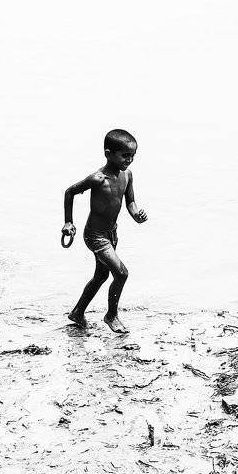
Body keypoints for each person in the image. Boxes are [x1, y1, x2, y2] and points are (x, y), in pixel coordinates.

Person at [63, 129, 147, 334]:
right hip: (95, 236)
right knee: (121, 274)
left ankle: (77, 312)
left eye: (133, 156)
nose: (129, 160)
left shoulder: (127, 175)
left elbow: (130, 201)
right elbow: (70, 192)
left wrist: (136, 214)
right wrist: (68, 222)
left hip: (111, 234)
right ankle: (111, 315)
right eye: (125, 155)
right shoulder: (98, 178)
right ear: (108, 154)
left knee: (101, 276)